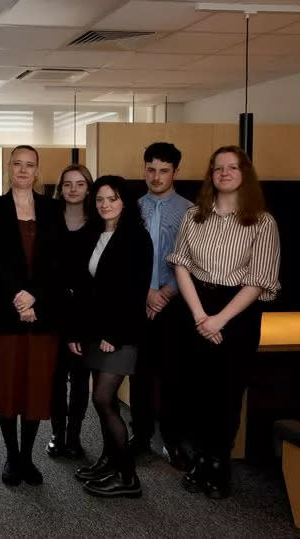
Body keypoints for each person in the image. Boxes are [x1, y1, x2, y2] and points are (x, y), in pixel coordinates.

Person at [168, 146, 280, 499]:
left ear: (244, 174)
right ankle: (202, 457)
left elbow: (259, 279)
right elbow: (181, 264)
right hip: (196, 305)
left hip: (238, 312)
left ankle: (219, 465)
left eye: (232, 167)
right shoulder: (194, 216)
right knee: (197, 390)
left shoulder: (262, 221)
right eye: (218, 168)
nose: (225, 173)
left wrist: (219, 320)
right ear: (210, 175)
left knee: (227, 392)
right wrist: (201, 316)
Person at [0, 145, 63, 486]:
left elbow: (57, 261)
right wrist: (19, 297)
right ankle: (11, 456)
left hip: (43, 313)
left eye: (30, 165)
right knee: (7, 385)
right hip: (5, 310)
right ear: (9, 168)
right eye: (18, 164)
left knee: (35, 386)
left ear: (37, 170)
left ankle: (28, 457)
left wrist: (35, 298)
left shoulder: (52, 209)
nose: (23, 170)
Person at [67, 175, 152, 498]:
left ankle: (128, 477)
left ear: (124, 202)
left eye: (112, 199)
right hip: (93, 331)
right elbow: (83, 291)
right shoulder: (92, 234)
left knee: (103, 399)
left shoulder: (136, 238)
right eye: (100, 199)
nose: (105, 205)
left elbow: (134, 292)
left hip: (121, 333)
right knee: (102, 401)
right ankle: (109, 461)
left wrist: (114, 335)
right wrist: (76, 331)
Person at [129, 143, 193, 463]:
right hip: (138, 304)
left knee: (172, 375)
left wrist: (164, 293)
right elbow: (124, 259)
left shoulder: (191, 211)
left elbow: (194, 261)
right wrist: (146, 292)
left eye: (163, 170)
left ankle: (172, 439)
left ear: (176, 172)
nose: (156, 176)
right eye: (151, 169)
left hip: (174, 305)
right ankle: (139, 436)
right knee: (138, 374)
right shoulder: (131, 208)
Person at [46, 164, 94, 460]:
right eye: (67, 184)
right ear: (60, 188)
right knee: (54, 376)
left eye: (79, 184)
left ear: (88, 188)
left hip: (86, 311)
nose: (73, 189)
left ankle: (74, 436)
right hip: (54, 308)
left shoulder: (99, 221)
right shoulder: (49, 218)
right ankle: (56, 434)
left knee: (79, 378)